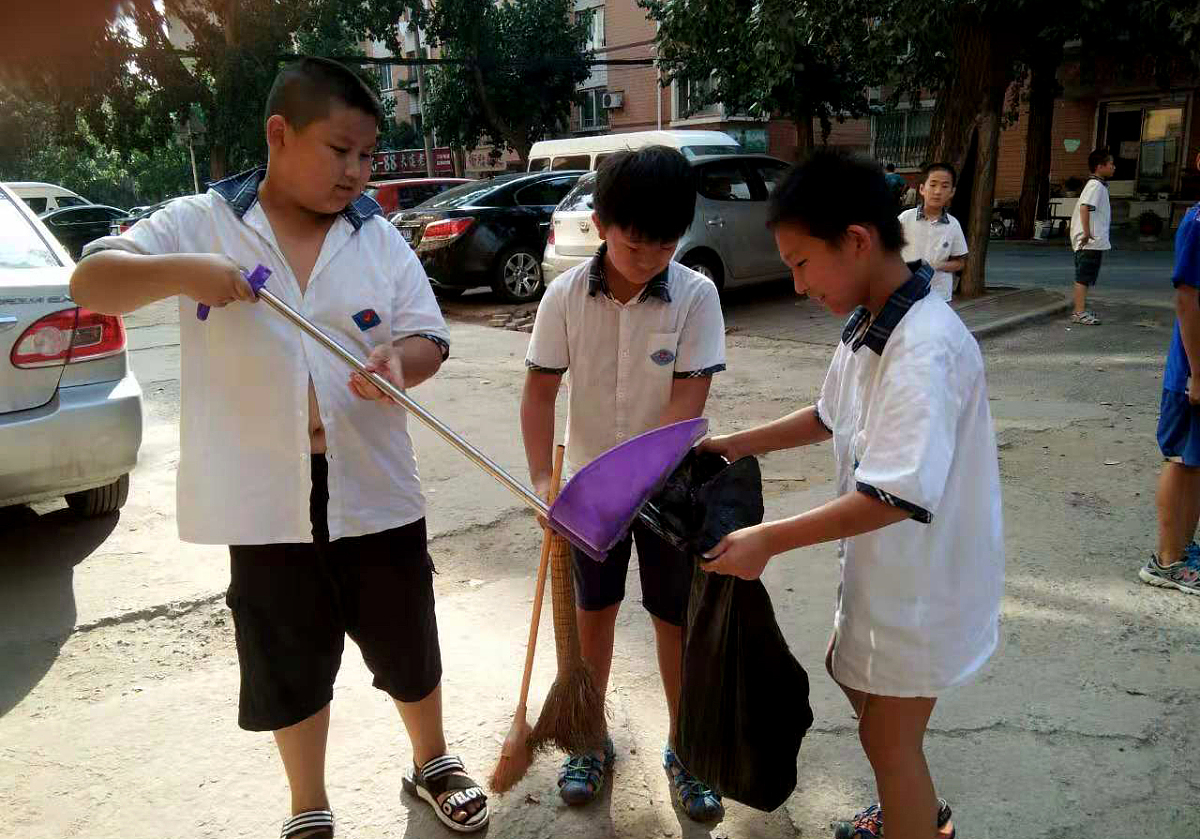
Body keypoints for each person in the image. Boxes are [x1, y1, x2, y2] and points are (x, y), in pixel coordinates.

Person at [69, 57, 489, 837]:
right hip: (265, 494)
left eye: (368, 155)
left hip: (373, 480)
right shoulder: (202, 222)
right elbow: (92, 280)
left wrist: (400, 363)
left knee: (406, 630)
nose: (356, 172)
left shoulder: (376, 237)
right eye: (340, 150)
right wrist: (186, 271)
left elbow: (428, 335)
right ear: (279, 133)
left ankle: (432, 758)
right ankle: (308, 802)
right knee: (287, 650)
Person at [699, 149, 1004, 839]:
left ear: (858, 240)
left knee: (887, 740)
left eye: (803, 263)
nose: (798, 283)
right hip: (886, 571)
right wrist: (732, 443)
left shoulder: (923, 347)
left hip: (924, 585)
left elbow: (892, 497)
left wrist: (767, 539)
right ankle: (913, 806)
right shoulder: (873, 320)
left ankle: (911, 813)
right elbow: (826, 415)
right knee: (850, 674)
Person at [521, 146, 728, 822]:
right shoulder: (564, 296)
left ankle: (685, 747)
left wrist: (636, 483)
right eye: (635, 243)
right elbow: (539, 393)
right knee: (594, 614)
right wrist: (544, 482)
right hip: (588, 490)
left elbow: (686, 406)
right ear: (603, 224)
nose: (648, 258)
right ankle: (589, 739)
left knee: (674, 619)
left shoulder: (696, 297)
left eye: (665, 245)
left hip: (668, 487)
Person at [1140, 151, 1200, 595]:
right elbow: (1187, 300)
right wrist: (1197, 372)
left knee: (1197, 463)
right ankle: (1166, 561)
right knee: (1181, 460)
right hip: (1192, 371)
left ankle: (1184, 548)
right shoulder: (1198, 222)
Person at [898, 162, 968, 302]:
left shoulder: (953, 225)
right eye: (933, 184)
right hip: (905, 293)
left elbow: (960, 262)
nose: (937, 191)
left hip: (939, 296)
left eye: (945, 186)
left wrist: (938, 265)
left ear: (952, 192)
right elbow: (886, 251)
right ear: (922, 189)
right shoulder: (905, 218)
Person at [1068, 148, 1118, 325]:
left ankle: (1080, 309)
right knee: (1083, 277)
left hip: (1092, 241)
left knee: (1086, 276)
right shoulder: (1095, 186)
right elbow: (1084, 207)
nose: (1114, 167)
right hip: (1089, 241)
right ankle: (1079, 312)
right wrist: (1087, 233)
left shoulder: (1098, 185)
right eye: (1111, 163)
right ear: (1099, 166)